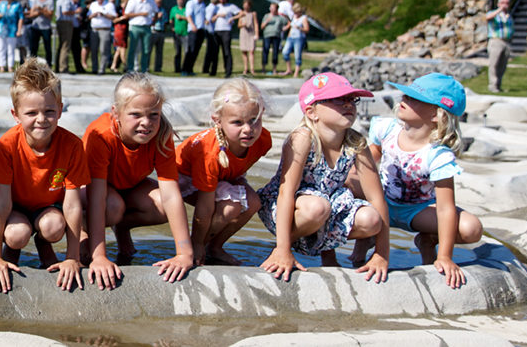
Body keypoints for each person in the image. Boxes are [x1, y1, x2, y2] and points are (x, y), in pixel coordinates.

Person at [350, 73, 482, 289]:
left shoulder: (437, 155)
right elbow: (366, 169)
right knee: (349, 178)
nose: (404, 99)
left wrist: (446, 256)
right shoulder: (387, 130)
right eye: (406, 95)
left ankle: (428, 241)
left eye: (414, 99)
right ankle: (363, 243)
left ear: (436, 115)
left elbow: (445, 208)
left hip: (417, 212)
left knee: (471, 228)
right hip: (380, 203)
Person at [257, 72, 389, 281]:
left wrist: (381, 254)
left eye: (352, 99)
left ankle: (327, 253)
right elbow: (286, 192)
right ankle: (280, 250)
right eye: (338, 100)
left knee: (371, 220)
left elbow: (376, 198)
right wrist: (283, 249)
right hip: (290, 208)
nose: (348, 105)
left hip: (327, 206)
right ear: (311, 111)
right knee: (318, 207)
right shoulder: (303, 138)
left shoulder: (356, 144)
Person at [81, 73, 194, 289]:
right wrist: (100, 256)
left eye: (154, 114)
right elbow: (97, 196)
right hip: (93, 192)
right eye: (136, 114)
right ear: (116, 113)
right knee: (112, 208)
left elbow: (171, 194)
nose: (146, 123)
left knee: (162, 206)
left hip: (128, 187)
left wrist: (185, 253)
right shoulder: (101, 135)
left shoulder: (161, 135)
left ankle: (121, 227)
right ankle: (84, 230)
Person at [0, 58, 90, 293]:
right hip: (16, 209)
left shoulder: (72, 145)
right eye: (31, 112)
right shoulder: (7, 144)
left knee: (54, 227)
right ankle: (9, 252)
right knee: (16, 234)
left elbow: (73, 205)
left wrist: (72, 258)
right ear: (16, 115)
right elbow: (2, 202)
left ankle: (43, 243)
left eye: (49, 111)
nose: (41, 119)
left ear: (60, 110)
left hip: (48, 208)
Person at [177, 79, 270, 266]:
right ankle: (198, 247)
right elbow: (205, 207)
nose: (248, 129)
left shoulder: (263, 141)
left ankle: (215, 247)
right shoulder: (209, 153)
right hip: (185, 178)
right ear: (217, 121)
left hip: (223, 176)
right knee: (231, 207)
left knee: (254, 203)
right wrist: (195, 244)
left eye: (254, 120)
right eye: (237, 122)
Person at [123, 0, 156, 74]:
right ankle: (130, 68)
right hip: (135, 26)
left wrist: (154, 21)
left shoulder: (150, 1)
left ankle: (144, 69)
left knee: (146, 50)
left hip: (146, 27)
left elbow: (156, 12)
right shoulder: (133, 1)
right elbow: (127, 14)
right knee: (133, 48)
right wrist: (140, 14)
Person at [485, 0, 513, 93]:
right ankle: (492, 85)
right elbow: (487, 17)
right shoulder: (494, 14)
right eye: (503, 3)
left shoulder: (508, 15)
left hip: (506, 41)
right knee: (494, 64)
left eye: (507, 3)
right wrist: (499, 10)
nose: (505, 5)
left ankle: (498, 85)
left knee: (503, 65)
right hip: (496, 41)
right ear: (498, 4)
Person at [210, 0, 241, 78]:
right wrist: (217, 16)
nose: (222, 0)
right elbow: (210, 19)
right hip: (217, 30)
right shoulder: (216, 7)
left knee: (226, 51)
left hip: (226, 30)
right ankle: (213, 70)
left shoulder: (231, 6)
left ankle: (228, 71)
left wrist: (232, 18)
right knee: (215, 51)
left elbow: (241, 13)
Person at [180, 0, 209, 76]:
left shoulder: (203, 4)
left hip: (201, 30)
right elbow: (188, 15)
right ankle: (184, 69)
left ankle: (190, 69)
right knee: (190, 50)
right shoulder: (191, 3)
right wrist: (192, 25)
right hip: (193, 30)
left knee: (196, 51)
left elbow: (202, 16)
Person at [0, 0, 24, 72]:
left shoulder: (17, 5)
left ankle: (10, 66)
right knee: (1, 47)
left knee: (11, 49)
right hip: (1, 29)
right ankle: (1, 66)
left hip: (12, 29)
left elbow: (21, 18)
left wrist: (19, 30)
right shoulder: (2, 4)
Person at [55, 0, 84, 73]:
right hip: (65, 22)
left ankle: (58, 66)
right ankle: (63, 67)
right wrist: (76, 12)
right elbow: (65, 11)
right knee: (65, 46)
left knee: (62, 45)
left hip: (61, 22)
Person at [86, 0, 116, 74]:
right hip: (94, 29)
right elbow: (88, 16)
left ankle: (102, 69)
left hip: (105, 29)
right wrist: (94, 15)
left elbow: (114, 17)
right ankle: (94, 68)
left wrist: (104, 14)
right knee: (94, 50)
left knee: (104, 50)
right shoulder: (93, 4)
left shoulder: (109, 5)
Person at [25, 0, 55, 65]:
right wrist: (41, 12)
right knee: (33, 47)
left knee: (47, 47)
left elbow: (50, 15)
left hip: (46, 27)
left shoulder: (50, 1)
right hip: (35, 27)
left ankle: (49, 64)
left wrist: (40, 10)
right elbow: (32, 13)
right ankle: (32, 65)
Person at [280, 6, 309, 77]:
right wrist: (289, 35)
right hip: (291, 38)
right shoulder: (294, 17)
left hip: (299, 38)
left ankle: (296, 72)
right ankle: (289, 69)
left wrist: (299, 28)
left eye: (296, 12)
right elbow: (291, 27)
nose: (295, 13)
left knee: (297, 55)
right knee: (285, 52)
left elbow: (307, 29)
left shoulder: (303, 18)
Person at [260, 3, 287, 75]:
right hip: (267, 35)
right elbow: (262, 27)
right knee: (265, 51)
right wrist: (266, 21)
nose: (271, 9)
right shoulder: (266, 16)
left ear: (276, 9)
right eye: (270, 8)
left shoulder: (280, 18)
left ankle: (274, 69)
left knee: (275, 52)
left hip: (276, 36)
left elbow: (289, 23)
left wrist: (284, 29)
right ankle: (263, 69)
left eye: (273, 8)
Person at [237, 0, 259, 76]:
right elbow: (238, 25)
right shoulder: (241, 13)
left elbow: (256, 24)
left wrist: (257, 34)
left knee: (251, 51)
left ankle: (252, 69)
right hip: (243, 33)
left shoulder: (253, 14)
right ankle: (245, 68)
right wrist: (243, 25)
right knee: (244, 51)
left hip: (251, 34)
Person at [169, 0, 189, 74]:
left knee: (186, 52)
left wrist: (182, 17)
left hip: (185, 33)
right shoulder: (173, 9)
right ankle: (177, 69)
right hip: (177, 33)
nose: (180, 1)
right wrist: (172, 28)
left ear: (184, 0)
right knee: (177, 52)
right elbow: (171, 20)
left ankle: (185, 68)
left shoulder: (187, 9)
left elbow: (191, 19)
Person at [110, 0, 130, 73]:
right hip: (119, 30)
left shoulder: (128, 9)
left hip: (125, 30)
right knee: (122, 49)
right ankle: (126, 65)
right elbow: (114, 20)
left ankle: (113, 65)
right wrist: (123, 17)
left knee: (118, 50)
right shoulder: (118, 9)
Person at [150, 0, 168, 73]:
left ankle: (158, 68)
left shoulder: (163, 10)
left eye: (160, 2)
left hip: (161, 32)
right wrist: (157, 17)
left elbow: (165, 21)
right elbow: (150, 21)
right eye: (157, 2)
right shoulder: (151, 10)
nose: (159, 4)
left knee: (159, 52)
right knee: (149, 50)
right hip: (153, 31)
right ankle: (146, 67)